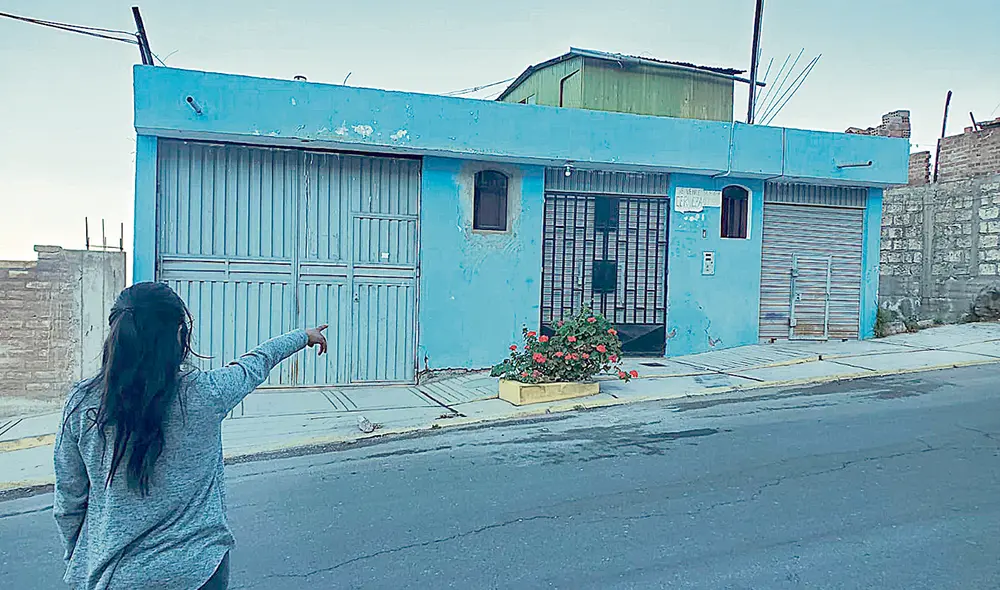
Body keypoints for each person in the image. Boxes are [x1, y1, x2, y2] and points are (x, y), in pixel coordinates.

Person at [53, 281, 328, 589]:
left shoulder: (82, 403)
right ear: (179, 335)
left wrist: (80, 554)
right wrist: (302, 336)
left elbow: (69, 499)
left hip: (115, 576)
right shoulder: (206, 393)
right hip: (197, 572)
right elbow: (255, 363)